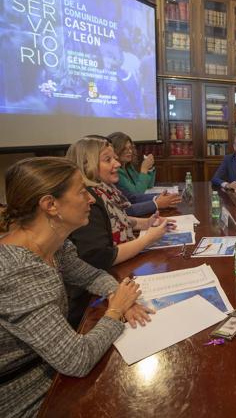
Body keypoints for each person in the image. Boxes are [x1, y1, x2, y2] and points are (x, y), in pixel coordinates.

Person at [0, 157, 151, 417]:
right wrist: (115, 311)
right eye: (82, 192)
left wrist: (117, 294)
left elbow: (90, 275)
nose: (91, 199)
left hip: (54, 369)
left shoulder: (56, 246)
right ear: (50, 205)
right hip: (30, 393)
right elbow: (76, 359)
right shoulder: (17, 271)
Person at [66, 136, 172, 271]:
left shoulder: (105, 190)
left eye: (115, 158)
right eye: (108, 160)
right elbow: (99, 257)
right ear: (86, 164)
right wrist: (146, 240)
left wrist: (146, 223)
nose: (117, 164)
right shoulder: (87, 199)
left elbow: (115, 220)